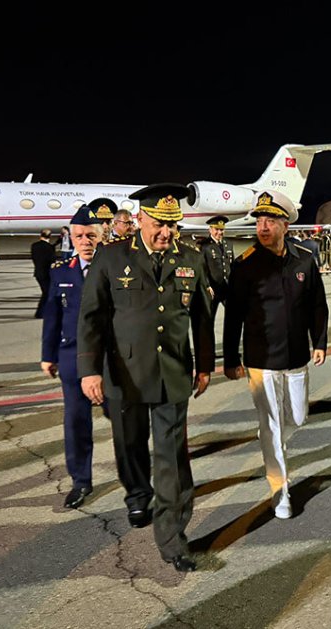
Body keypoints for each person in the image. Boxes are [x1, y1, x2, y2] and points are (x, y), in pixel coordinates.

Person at [77, 183, 214, 573]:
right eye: (158, 224)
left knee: (172, 458)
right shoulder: (111, 256)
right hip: (124, 374)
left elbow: (202, 318)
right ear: (140, 219)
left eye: (172, 225)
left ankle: (172, 538)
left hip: (172, 372)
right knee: (130, 444)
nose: (166, 233)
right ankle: (138, 494)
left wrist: (204, 365)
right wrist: (89, 370)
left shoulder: (191, 258)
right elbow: (91, 317)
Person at [223, 191, 328, 519]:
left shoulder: (304, 260)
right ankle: (279, 489)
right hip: (261, 360)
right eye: (260, 221)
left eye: (270, 221)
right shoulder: (245, 265)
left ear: (286, 225)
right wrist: (230, 358)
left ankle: (272, 436)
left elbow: (317, 304)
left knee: (297, 417)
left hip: (296, 356)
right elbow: (233, 316)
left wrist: (319, 341)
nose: (263, 227)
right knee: (271, 426)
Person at [41, 206, 104, 509]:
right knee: (76, 422)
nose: (85, 241)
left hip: (109, 357)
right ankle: (80, 480)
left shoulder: (115, 267)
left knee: (124, 420)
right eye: (79, 236)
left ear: (101, 235)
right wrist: (47, 355)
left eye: (91, 235)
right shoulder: (61, 270)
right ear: (71, 237)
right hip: (71, 355)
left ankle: (135, 477)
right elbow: (52, 314)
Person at [199, 215, 234, 319]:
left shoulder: (228, 244)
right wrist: (207, 285)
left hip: (227, 287)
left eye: (221, 230)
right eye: (216, 229)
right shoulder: (205, 246)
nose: (219, 232)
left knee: (233, 317)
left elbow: (232, 266)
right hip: (213, 289)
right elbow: (202, 268)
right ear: (210, 229)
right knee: (209, 319)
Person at [30, 229, 56, 318]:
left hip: (38, 272)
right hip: (47, 273)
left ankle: (42, 312)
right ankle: (41, 312)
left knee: (46, 292)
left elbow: (34, 258)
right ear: (50, 237)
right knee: (47, 293)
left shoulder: (34, 246)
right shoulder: (50, 247)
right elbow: (52, 262)